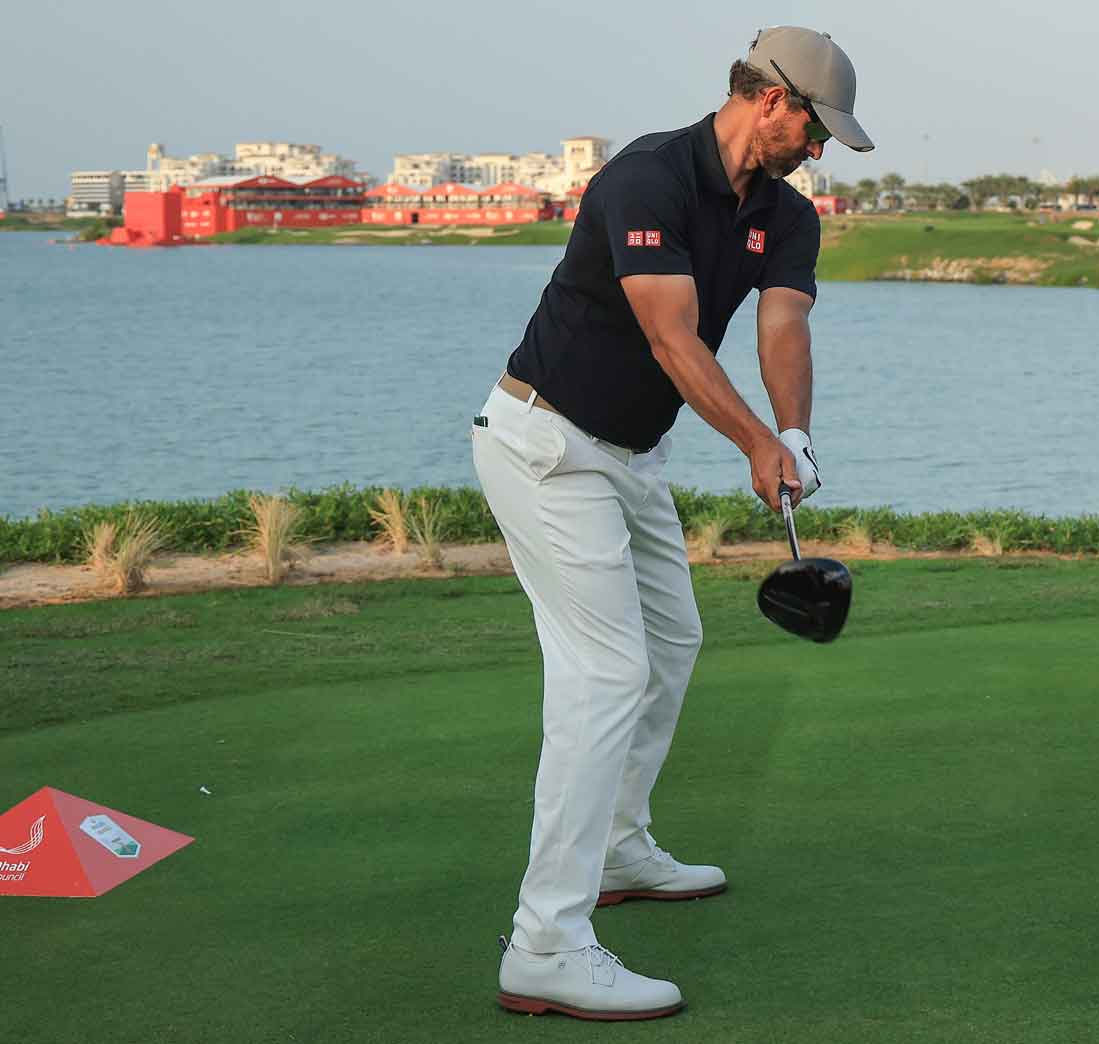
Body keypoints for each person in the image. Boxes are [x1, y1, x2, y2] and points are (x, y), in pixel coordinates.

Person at [471, 26, 873, 1022]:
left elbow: (783, 326)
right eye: (814, 129)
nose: (818, 150)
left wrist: (792, 433)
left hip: (629, 457)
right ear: (771, 99)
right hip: (547, 445)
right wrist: (749, 445)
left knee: (672, 644)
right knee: (604, 673)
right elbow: (669, 337)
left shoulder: (784, 217)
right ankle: (545, 944)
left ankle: (615, 845)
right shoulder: (643, 180)